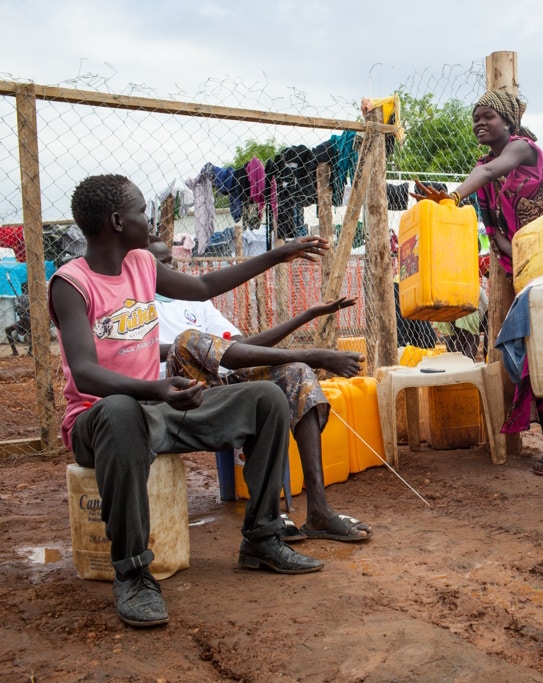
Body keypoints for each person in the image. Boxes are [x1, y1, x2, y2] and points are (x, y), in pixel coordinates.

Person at [49, 174, 326, 628]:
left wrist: (278, 254)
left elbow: (204, 288)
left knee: (265, 398)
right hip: (98, 421)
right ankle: (134, 573)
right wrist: (154, 389)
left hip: (157, 412)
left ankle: (262, 537)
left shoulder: (141, 264)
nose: (150, 218)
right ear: (118, 221)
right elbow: (85, 373)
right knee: (120, 412)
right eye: (142, 210)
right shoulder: (71, 283)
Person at [146, 239, 373, 544]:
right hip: (175, 396)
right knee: (189, 341)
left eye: (170, 261)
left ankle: (319, 511)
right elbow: (180, 349)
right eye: (159, 264)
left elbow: (241, 349)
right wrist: (310, 353)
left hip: (218, 387)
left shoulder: (196, 303)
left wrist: (306, 316)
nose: (169, 269)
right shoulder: (135, 305)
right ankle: (310, 356)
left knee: (297, 374)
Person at [412, 90, 543, 476]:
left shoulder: (523, 149)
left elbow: (489, 173)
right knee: (536, 357)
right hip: (529, 270)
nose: (480, 124)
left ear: (508, 122)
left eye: (488, 117)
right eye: (476, 119)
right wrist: (525, 256)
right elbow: (494, 230)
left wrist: (451, 196)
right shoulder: (483, 168)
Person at [5, 282, 31, 356]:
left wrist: (21, 309)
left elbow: (17, 310)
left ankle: (15, 351)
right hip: (29, 321)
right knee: (31, 332)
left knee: (8, 330)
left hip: (26, 321)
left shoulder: (21, 298)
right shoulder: (32, 297)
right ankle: (30, 351)